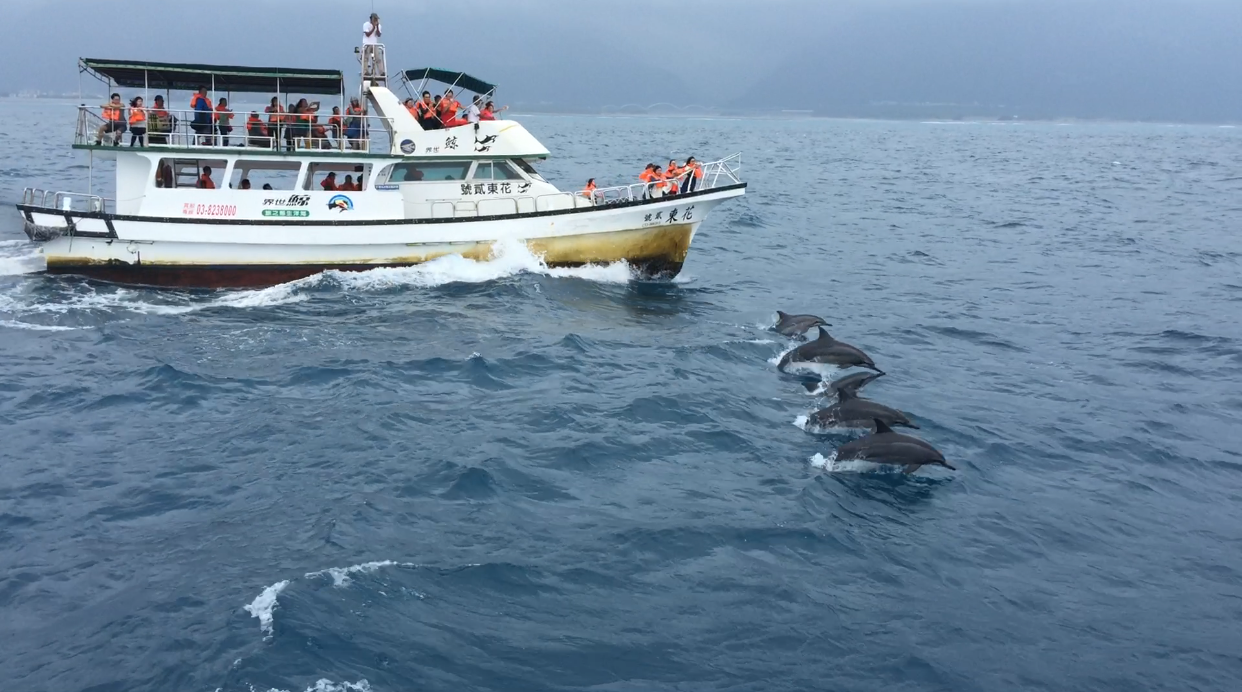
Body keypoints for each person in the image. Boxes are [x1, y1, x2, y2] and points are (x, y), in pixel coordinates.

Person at [362, 13, 385, 79]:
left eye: (376, 19)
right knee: (365, 58)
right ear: (371, 19)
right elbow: (367, 34)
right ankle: (365, 71)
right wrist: (373, 28)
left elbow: (379, 34)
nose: (375, 20)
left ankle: (381, 72)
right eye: (374, 19)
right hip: (367, 44)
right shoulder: (366, 24)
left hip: (374, 44)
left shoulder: (379, 26)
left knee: (378, 58)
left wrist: (377, 27)